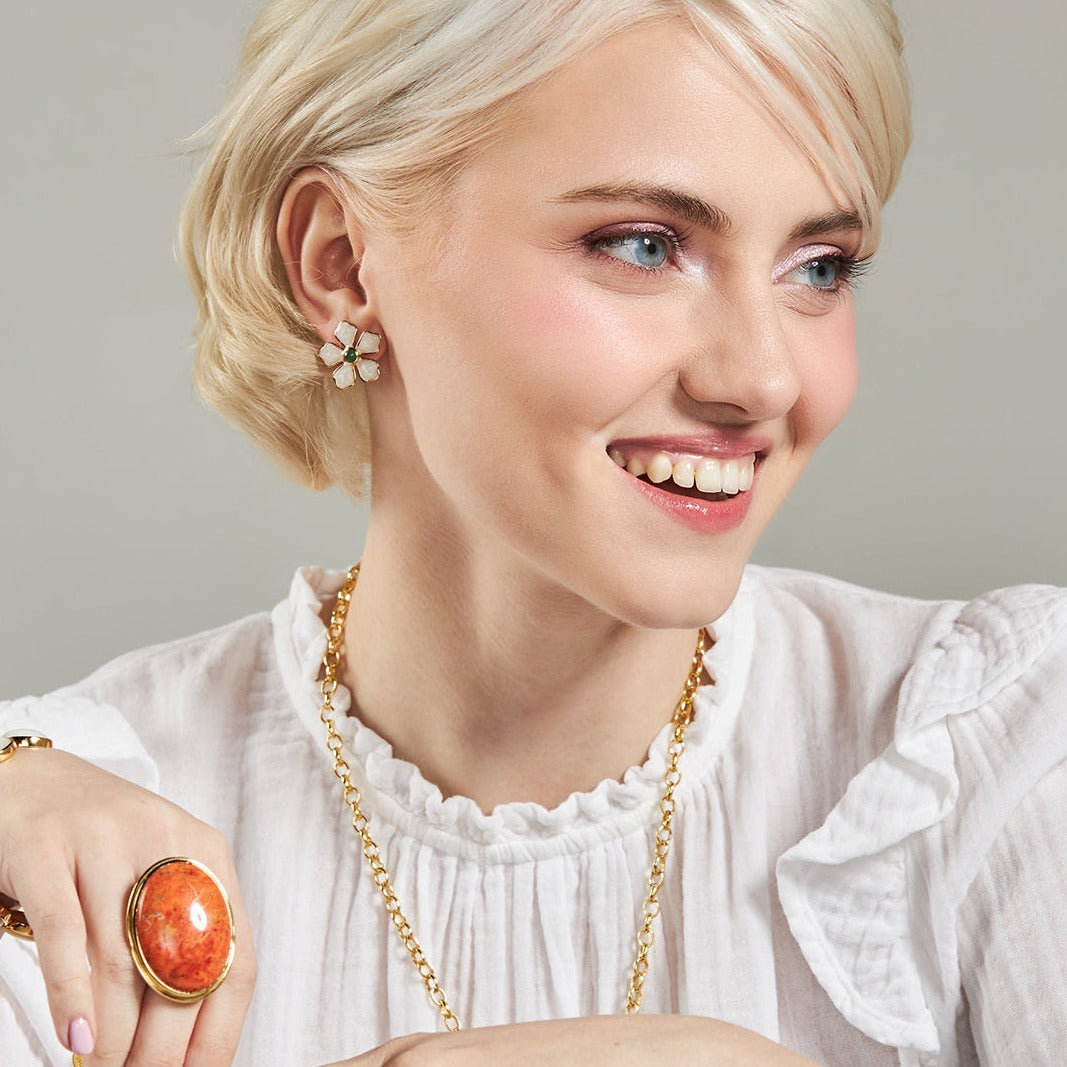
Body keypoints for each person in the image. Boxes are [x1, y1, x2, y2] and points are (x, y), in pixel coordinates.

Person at [2, 1, 1065, 1064]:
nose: (762, 377)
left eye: (819, 265)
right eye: (643, 246)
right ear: (342, 266)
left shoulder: (996, 752)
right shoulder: (82, 822)